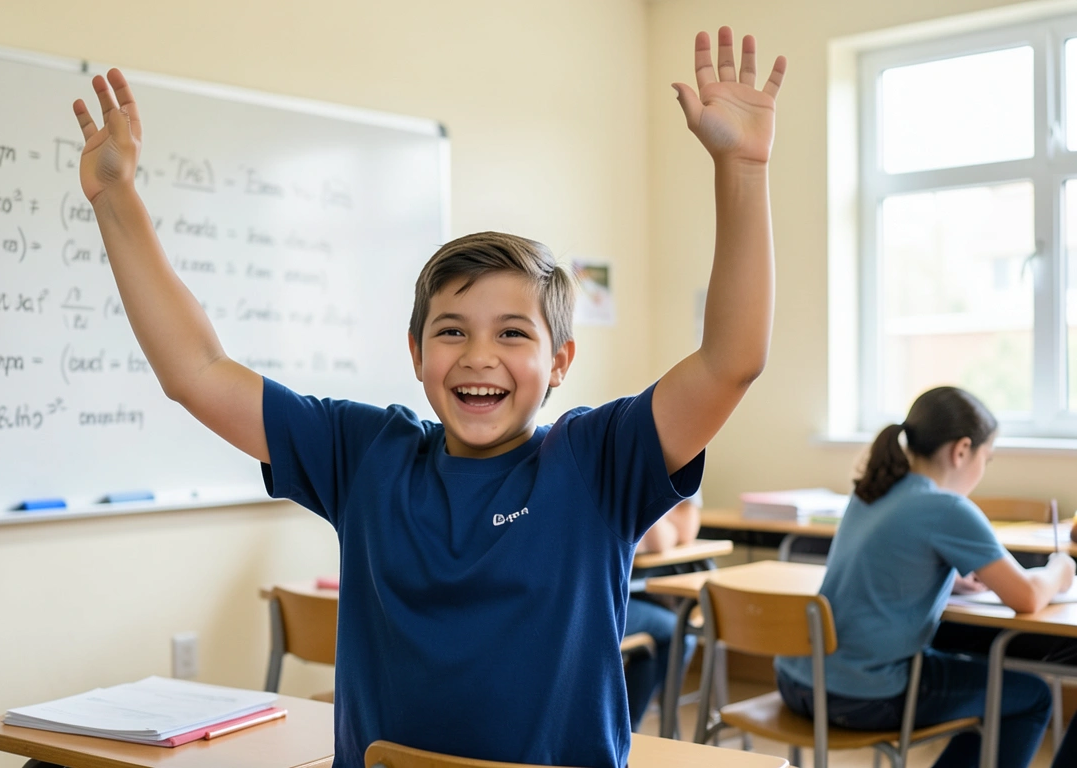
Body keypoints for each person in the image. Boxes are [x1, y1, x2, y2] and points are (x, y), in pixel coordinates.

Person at [70, 26, 784, 768]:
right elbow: (198, 372)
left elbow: (731, 362)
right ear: (415, 354)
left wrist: (742, 168)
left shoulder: (597, 460)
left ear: (560, 361)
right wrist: (117, 199)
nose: (479, 357)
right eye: (451, 331)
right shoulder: (365, 452)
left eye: (513, 333)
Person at [773, 386, 1077, 768]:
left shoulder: (870, 490)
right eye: (988, 457)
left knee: (984, 691)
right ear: (962, 450)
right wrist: (1059, 569)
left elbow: (884, 569)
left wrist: (951, 578)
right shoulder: (946, 507)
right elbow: (1028, 597)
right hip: (862, 694)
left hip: (799, 681)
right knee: (1030, 697)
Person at [624, 494, 702, 730]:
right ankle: (627, 730)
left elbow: (684, 529)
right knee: (679, 632)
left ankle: (625, 728)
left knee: (650, 645)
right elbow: (660, 539)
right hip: (591, 605)